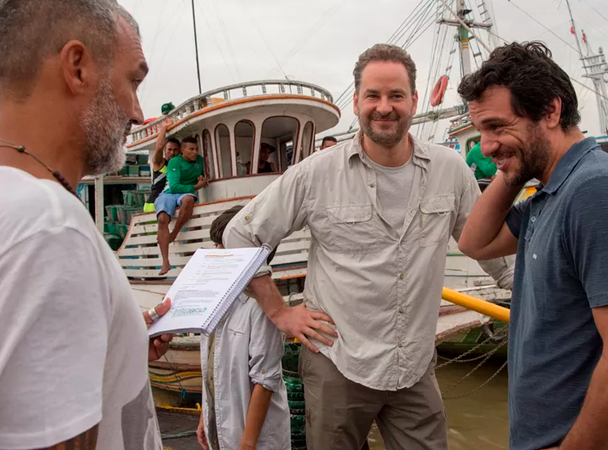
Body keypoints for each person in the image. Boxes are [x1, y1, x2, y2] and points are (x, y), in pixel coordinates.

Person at [222, 43, 514, 450]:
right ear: (356, 100)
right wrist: (279, 312)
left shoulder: (451, 171)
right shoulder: (316, 174)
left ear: (414, 100)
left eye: (396, 95)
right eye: (373, 95)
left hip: (413, 366)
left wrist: (534, 294)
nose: (384, 107)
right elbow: (240, 233)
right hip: (338, 362)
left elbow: (488, 249)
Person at [0, 1, 174, 448]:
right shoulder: (49, 229)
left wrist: (117, 349)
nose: (136, 112)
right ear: (78, 67)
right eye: (133, 81)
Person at [457, 41, 608, 450]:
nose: (485, 145)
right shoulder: (552, 190)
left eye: (498, 126)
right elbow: (475, 242)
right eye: (481, 130)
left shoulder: (597, 192)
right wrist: (514, 164)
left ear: (551, 112)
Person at [196, 205, 290, 450]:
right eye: (216, 246)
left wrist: (247, 444)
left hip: (253, 439)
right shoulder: (214, 299)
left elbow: (265, 381)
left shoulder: (261, 307)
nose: (217, 253)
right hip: (222, 429)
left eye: (223, 246)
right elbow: (211, 366)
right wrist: (205, 419)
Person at [155, 135, 206, 275]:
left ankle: (174, 233)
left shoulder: (199, 161)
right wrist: (196, 185)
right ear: (183, 151)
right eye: (191, 149)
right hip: (169, 192)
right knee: (162, 219)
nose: (195, 152)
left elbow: (200, 175)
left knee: (189, 200)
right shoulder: (174, 163)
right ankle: (165, 261)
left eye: (196, 149)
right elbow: (175, 186)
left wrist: (201, 179)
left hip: (184, 193)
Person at [143, 121, 180, 212]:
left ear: (179, 151)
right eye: (170, 149)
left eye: (175, 150)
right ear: (165, 150)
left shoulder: (180, 165)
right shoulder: (160, 162)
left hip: (168, 204)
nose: (172, 152)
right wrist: (164, 128)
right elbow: (159, 147)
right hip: (153, 205)